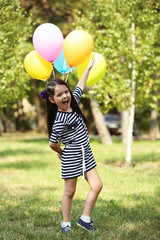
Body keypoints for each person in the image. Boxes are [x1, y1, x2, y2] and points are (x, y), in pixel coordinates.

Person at [41, 57, 103, 233]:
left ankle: (84, 219)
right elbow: (52, 143)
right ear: (53, 100)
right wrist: (61, 153)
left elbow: (80, 86)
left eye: (65, 92)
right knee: (70, 192)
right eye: (59, 95)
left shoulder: (74, 103)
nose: (64, 96)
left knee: (97, 186)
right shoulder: (59, 121)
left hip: (86, 154)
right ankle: (66, 223)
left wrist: (88, 67)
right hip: (71, 157)